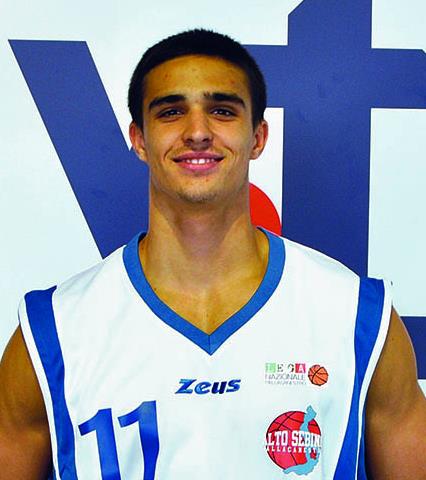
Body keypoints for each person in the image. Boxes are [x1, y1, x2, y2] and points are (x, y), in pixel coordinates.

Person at [0, 29, 425, 480]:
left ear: (258, 136)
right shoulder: (55, 331)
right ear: (139, 139)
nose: (198, 132)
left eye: (222, 111)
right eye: (171, 112)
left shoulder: (356, 316)